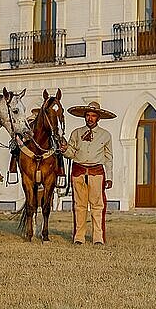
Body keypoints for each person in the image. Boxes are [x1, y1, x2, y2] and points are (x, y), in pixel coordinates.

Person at [60, 101, 116, 245]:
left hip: (96, 173)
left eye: (93, 116)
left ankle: (98, 237)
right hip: (78, 172)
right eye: (87, 115)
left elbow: (108, 157)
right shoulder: (76, 133)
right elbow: (71, 153)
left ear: (98, 118)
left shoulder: (105, 135)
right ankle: (79, 237)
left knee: (97, 206)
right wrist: (65, 149)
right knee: (79, 206)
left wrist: (109, 177)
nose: (90, 118)